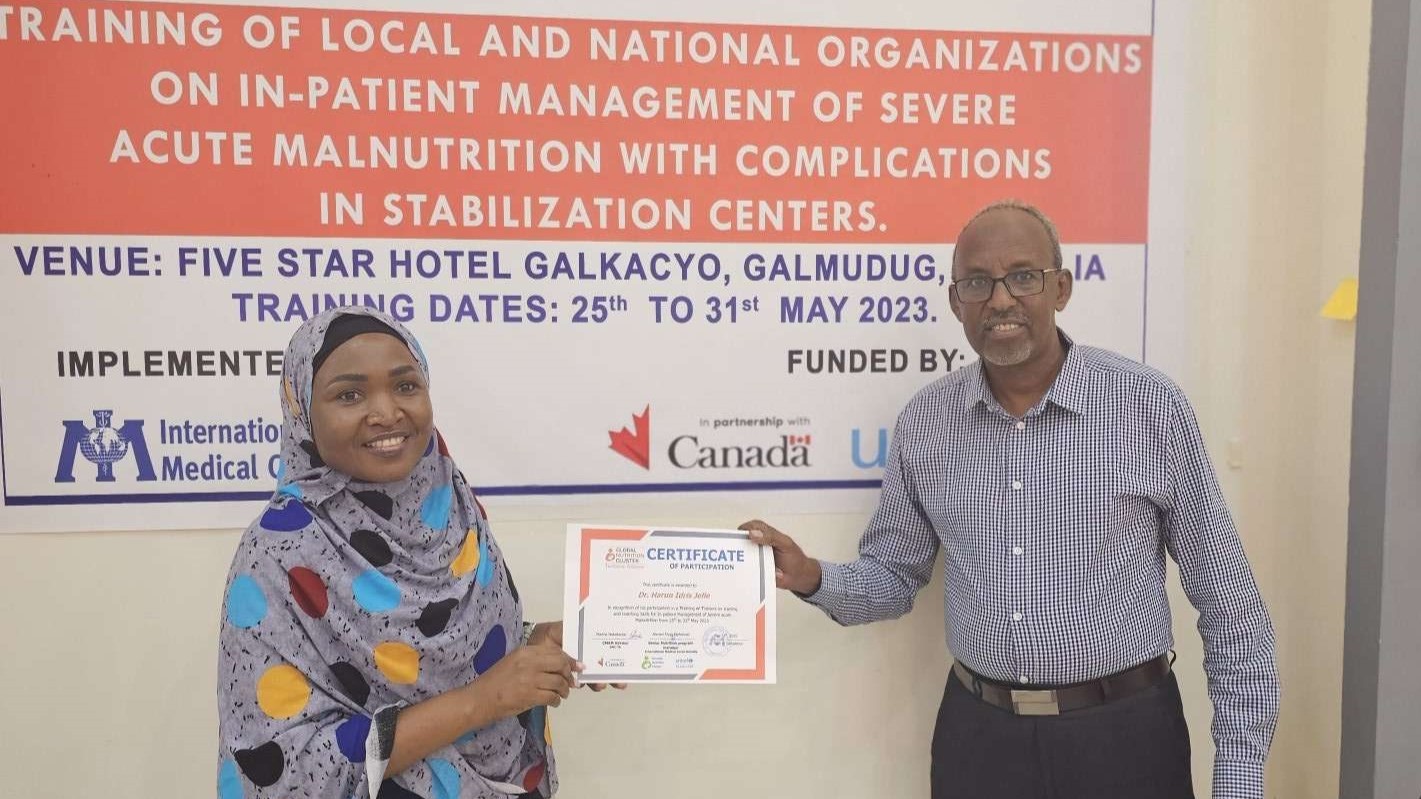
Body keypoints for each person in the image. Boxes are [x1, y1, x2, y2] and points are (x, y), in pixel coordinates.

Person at [742, 200, 1279, 799]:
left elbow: (1230, 601)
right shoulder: (927, 422)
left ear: (1061, 288)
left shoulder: (1148, 405)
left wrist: (1239, 776)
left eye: (1023, 276)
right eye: (977, 282)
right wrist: (813, 577)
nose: (999, 300)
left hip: (1125, 737)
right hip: (980, 741)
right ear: (956, 302)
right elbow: (893, 576)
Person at [218, 307, 600, 799]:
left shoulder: (451, 507)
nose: (386, 413)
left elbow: (441, 655)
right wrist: (481, 702)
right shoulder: (277, 553)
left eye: (405, 386)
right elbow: (279, 763)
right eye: (349, 394)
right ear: (303, 411)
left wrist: (532, 647)